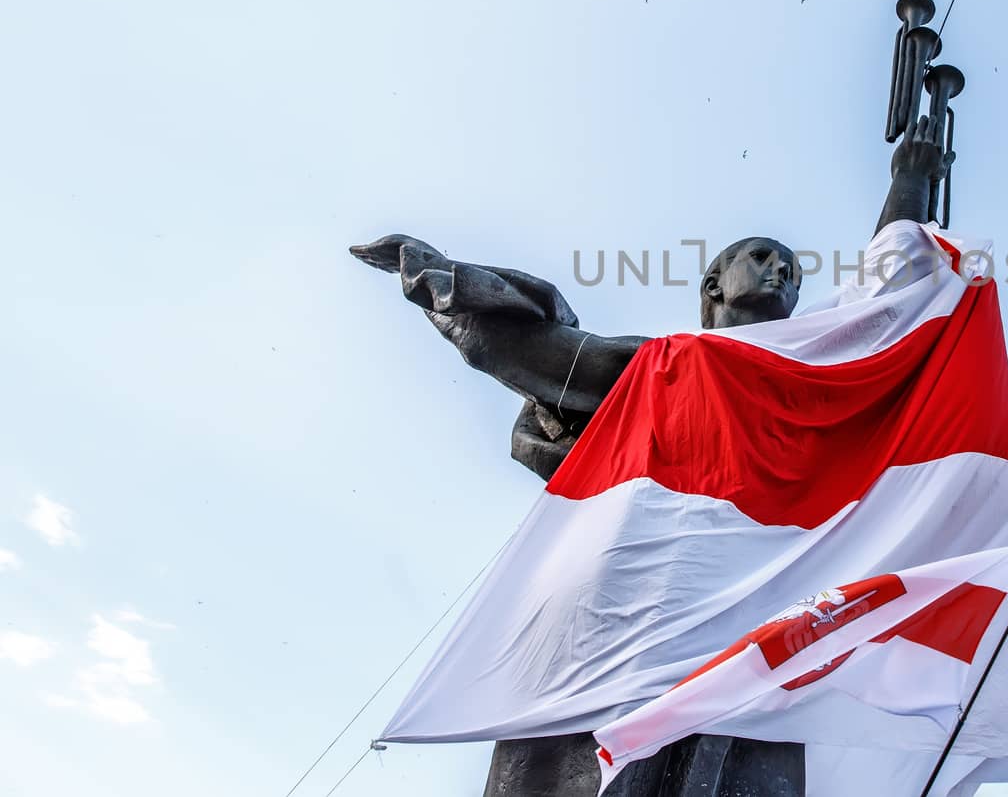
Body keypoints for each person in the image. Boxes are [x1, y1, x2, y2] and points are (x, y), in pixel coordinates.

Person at [349, 116, 953, 796]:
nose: (780, 269)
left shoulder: (806, 386)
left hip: (757, 638)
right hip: (626, 626)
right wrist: (440, 278)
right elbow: (536, 349)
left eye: (789, 266)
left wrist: (910, 184)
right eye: (759, 254)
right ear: (712, 287)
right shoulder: (661, 363)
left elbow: (881, 319)